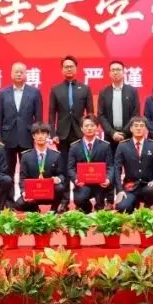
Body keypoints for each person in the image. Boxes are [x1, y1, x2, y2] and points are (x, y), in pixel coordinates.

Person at [48, 55, 94, 209]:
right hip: (62, 135)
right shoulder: (55, 89)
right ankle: (64, 201)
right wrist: (53, 133)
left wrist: (89, 131)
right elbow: (51, 114)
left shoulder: (85, 88)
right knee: (64, 168)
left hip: (80, 134)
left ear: (76, 68)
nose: (69, 69)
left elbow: (90, 113)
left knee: (80, 168)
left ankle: (81, 200)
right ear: (62, 69)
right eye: (66, 66)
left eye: (71, 66)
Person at [0, 62, 43, 187]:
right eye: (16, 72)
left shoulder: (34, 92)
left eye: (22, 72)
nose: (19, 74)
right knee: (7, 171)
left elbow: (38, 118)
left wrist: (38, 136)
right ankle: (9, 198)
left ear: (26, 74)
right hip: (8, 137)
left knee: (28, 170)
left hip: (27, 136)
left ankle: (26, 195)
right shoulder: (3, 93)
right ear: (11, 74)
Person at [114, 116, 153, 213]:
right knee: (122, 208)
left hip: (148, 186)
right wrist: (119, 190)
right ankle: (134, 202)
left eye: (142, 126)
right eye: (136, 126)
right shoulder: (122, 146)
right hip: (131, 186)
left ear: (146, 129)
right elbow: (117, 169)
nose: (139, 128)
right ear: (131, 128)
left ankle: (147, 205)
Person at [66, 115, 115, 214]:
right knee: (80, 199)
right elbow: (70, 168)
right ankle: (86, 206)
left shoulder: (105, 146)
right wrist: (76, 179)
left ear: (97, 127)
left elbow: (110, 166)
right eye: (86, 126)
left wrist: (108, 179)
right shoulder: (74, 147)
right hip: (83, 183)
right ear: (81, 128)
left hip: (100, 183)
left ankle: (102, 204)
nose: (89, 128)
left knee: (101, 209)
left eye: (92, 125)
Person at [15, 123, 65, 212]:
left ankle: (53, 211)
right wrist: (24, 192)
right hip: (34, 192)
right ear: (33, 136)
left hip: (49, 192)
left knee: (60, 188)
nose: (40, 136)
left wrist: (58, 179)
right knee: (19, 205)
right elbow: (22, 178)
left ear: (48, 135)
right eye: (37, 134)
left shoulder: (56, 155)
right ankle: (34, 209)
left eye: (43, 133)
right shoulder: (26, 156)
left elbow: (62, 175)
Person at [97, 60, 140, 144]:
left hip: (128, 136)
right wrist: (112, 133)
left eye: (118, 69)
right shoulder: (104, 92)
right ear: (109, 73)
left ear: (123, 72)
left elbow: (135, 113)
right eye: (113, 70)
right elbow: (100, 115)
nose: (115, 72)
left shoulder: (132, 91)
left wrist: (124, 133)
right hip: (109, 136)